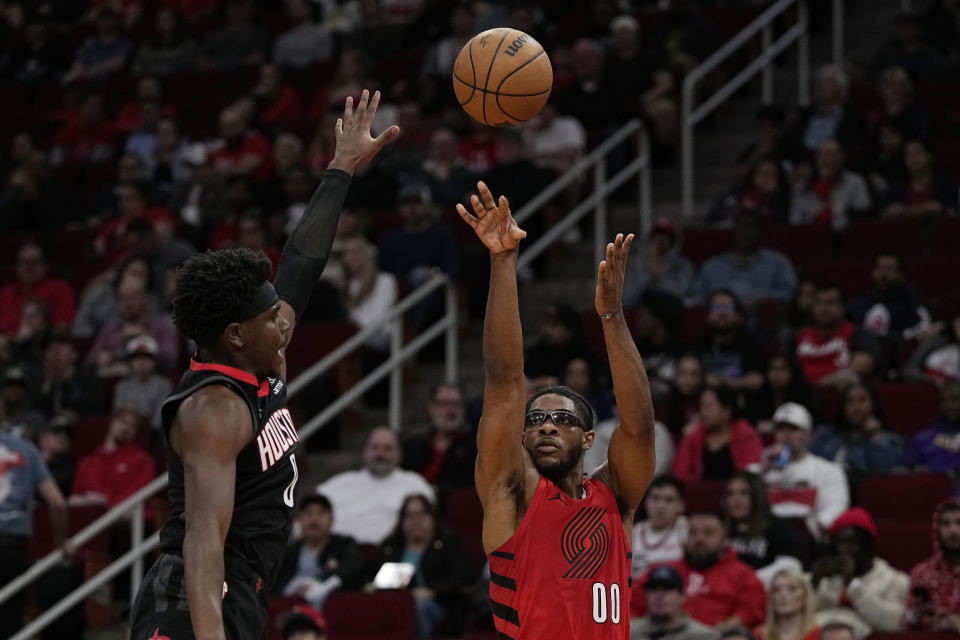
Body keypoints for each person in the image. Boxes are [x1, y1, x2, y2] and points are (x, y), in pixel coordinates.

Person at [129, 89, 399, 640]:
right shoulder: (213, 410)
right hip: (193, 601)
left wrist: (340, 169)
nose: (285, 324)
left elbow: (302, 258)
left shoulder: (257, 355)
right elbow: (203, 545)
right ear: (234, 335)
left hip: (242, 590)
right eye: (272, 318)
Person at [456, 180, 655, 639]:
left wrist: (611, 316)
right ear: (522, 438)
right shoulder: (512, 493)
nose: (546, 426)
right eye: (537, 420)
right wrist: (503, 262)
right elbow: (505, 380)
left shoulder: (616, 496)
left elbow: (640, 427)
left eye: (563, 420)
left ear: (588, 439)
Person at [632, 511, 768, 630]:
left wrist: (719, 632)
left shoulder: (743, 575)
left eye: (708, 533)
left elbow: (753, 612)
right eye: (693, 532)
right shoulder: (663, 570)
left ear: (724, 539)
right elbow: (631, 605)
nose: (699, 538)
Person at [374, 494, 475, 638]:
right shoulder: (391, 547)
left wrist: (433, 590)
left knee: (417, 605)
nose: (416, 521)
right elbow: (373, 575)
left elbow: (464, 575)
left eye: (422, 514)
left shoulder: (447, 543)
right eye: (409, 515)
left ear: (433, 517)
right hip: (395, 603)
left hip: (439, 605)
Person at [0, 429, 68, 640]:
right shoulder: (27, 450)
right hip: (12, 549)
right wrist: (61, 542)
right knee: (9, 620)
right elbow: (58, 504)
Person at [316, 426, 434, 544]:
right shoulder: (340, 484)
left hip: (392, 555)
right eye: (374, 447)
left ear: (400, 453)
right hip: (339, 555)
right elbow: (308, 513)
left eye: (388, 448)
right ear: (364, 451)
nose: (380, 454)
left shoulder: (415, 485)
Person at [810, 508, 909, 636]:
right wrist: (814, 583)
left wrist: (853, 585)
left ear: (868, 545)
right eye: (839, 543)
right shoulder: (824, 576)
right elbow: (797, 618)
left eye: (851, 542)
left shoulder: (895, 580)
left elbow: (894, 623)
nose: (844, 550)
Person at [762, 403, 850, 536]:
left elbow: (836, 507)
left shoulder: (829, 470)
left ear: (808, 434)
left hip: (808, 535)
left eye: (793, 429)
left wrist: (812, 527)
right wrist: (762, 469)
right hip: (767, 536)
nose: (785, 435)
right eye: (780, 429)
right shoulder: (760, 469)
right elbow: (741, 501)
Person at [276, 493, 366, 610]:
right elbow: (276, 586)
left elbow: (354, 568)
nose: (314, 520)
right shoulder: (289, 552)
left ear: (331, 519)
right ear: (300, 520)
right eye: (308, 513)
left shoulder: (344, 545)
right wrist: (293, 589)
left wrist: (320, 584)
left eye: (321, 513)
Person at [847, 253, 932, 370]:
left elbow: (921, 330)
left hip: (893, 356)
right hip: (860, 354)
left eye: (889, 269)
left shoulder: (912, 302)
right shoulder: (859, 303)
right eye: (879, 268)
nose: (883, 273)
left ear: (900, 274)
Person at [692, 212, 797, 307]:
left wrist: (763, 299)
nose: (745, 232)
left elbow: (790, 293)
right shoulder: (713, 265)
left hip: (761, 318)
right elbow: (696, 297)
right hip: (721, 317)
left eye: (750, 227)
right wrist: (724, 306)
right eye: (740, 227)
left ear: (761, 231)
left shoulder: (778, 262)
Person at [722, 472, 812, 579]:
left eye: (744, 493)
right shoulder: (720, 528)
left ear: (758, 496)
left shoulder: (778, 527)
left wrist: (751, 580)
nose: (736, 499)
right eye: (730, 494)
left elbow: (790, 564)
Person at [795, 283, 880, 388]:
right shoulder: (801, 335)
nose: (824, 309)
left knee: (849, 378)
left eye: (831, 303)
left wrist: (821, 384)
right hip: (801, 396)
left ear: (843, 308)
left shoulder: (856, 333)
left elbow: (864, 363)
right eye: (819, 303)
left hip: (838, 393)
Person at [69, 405, 156, 508]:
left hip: (120, 520)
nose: (126, 428)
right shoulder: (86, 463)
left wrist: (105, 503)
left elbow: (137, 500)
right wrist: (85, 501)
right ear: (111, 421)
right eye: (123, 421)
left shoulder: (142, 461)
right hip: (87, 519)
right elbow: (73, 499)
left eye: (133, 426)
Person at [810, 383, 903, 479]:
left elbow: (882, 473)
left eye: (862, 400)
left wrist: (876, 436)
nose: (856, 407)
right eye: (850, 401)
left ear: (873, 403)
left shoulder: (888, 440)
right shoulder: (825, 435)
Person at [673, 386, 763, 483]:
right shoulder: (692, 437)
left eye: (709, 407)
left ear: (727, 410)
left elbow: (750, 472)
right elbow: (681, 474)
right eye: (702, 407)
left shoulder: (746, 434)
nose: (703, 412)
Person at [402, 383, 478, 493]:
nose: (451, 411)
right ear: (431, 407)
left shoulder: (476, 446)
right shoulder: (414, 444)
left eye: (457, 404)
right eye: (444, 404)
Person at [789, 139, 872, 231]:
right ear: (817, 158)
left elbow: (863, 219)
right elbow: (795, 224)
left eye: (833, 155)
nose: (828, 160)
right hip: (810, 238)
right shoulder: (801, 188)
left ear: (843, 158)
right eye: (823, 155)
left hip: (846, 237)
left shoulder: (856, 183)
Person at [904, 498, 960, 632]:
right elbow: (906, 623)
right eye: (946, 524)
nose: (953, 530)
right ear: (937, 528)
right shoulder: (922, 573)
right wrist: (916, 617)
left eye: (959, 523)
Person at [0, 241, 76, 336]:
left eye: (34, 262)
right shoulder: (5, 293)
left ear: (45, 265)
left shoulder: (60, 289)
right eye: (24, 263)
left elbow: (62, 328)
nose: (29, 268)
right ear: (17, 267)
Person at [697, 290, 765, 393]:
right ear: (708, 315)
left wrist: (724, 384)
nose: (722, 313)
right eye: (717, 307)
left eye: (727, 307)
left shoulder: (751, 343)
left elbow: (757, 380)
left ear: (737, 315)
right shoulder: (699, 344)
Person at [630, 566, 720, 640]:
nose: (659, 596)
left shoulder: (705, 636)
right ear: (646, 595)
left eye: (667, 589)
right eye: (653, 589)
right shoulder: (628, 632)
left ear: (682, 596)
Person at [880, 138, 957, 218]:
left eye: (917, 152)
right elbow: (883, 214)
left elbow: (954, 209)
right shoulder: (896, 188)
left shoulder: (946, 184)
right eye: (908, 154)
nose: (913, 158)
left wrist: (942, 208)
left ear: (930, 156)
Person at [623, 219, 695, 305]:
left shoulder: (683, 265)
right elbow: (627, 299)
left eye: (666, 236)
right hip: (642, 314)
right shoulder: (635, 265)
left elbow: (680, 296)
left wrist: (660, 272)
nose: (660, 240)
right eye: (656, 236)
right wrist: (647, 274)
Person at [112, 335, 174, 431]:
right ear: (130, 362)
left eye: (147, 358)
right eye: (136, 358)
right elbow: (117, 415)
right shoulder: (122, 386)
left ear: (155, 362)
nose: (141, 362)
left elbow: (159, 418)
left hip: (152, 434)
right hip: (125, 432)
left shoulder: (163, 385)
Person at [632, 476, 689, 577]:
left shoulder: (688, 530)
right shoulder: (634, 532)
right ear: (646, 502)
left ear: (681, 505)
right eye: (655, 498)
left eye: (669, 500)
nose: (660, 506)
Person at [523, 302, 592, 384]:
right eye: (544, 323)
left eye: (554, 325)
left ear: (570, 331)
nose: (546, 330)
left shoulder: (581, 356)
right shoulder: (534, 353)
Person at [903, 380, 960, 478]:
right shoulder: (922, 438)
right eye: (943, 401)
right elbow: (908, 468)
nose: (948, 406)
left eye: (955, 399)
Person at [756, 568, 820, 640]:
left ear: (805, 595)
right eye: (776, 590)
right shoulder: (759, 635)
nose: (783, 594)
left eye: (792, 588)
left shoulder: (820, 635)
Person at [903, 310, 960, 384]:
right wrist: (930, 379)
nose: (958, 323)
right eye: (957, 319)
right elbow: (909, 369)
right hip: (932, 387)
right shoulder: (937, 342)